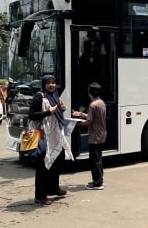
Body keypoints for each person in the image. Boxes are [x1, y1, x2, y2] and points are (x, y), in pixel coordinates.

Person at [29, 75, 75, 205]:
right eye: (48, 83)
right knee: (43, 166)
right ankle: (40, 195)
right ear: (43, 84)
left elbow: (57, 113)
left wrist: (62, 109)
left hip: (56, 135)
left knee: (58, 161)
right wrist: (49, 112)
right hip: (44, 136)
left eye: (53, 82)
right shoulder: (39, 96)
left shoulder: (55, 96)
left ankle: (53, 188)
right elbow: (32, 114)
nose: (51, 85)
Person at [73, 82, 107, 190]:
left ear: (89, 93)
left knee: (94, 160)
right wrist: (81, 114)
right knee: (98, 158)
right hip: (101, 133)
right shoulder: (101, 102)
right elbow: (92, 117)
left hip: (95, 135)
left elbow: (88, 121)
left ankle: (97, 182)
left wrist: (75, 122)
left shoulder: (92, 105)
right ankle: (100, 179)